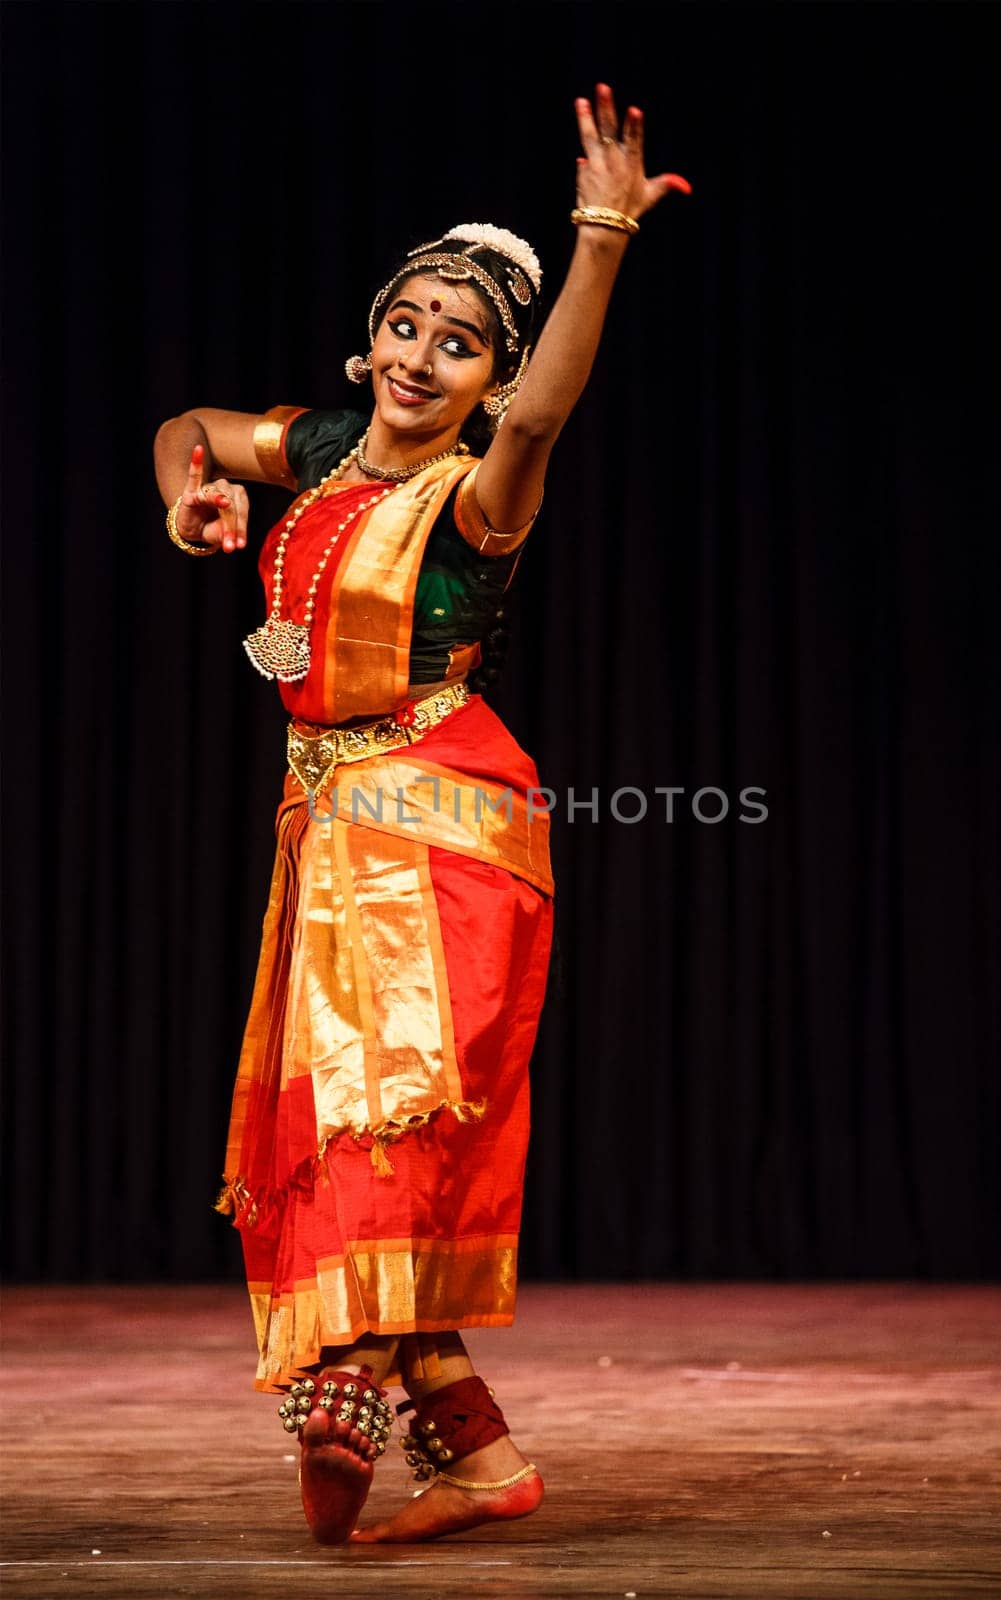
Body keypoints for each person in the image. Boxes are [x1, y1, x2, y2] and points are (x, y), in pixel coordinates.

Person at [153, 82, 689, 1547]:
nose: (421, 358)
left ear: (487, 386)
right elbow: (188, 426)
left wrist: (600, 240)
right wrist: (191, 497)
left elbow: (555, 404)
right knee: (337, 1124)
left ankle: (351, 1379)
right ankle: (474, 1448)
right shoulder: (323, 450)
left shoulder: (480, 496)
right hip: (331, 822)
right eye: (408, 326)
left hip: (444, 819)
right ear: (370, 335)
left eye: (461, 346)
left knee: (385, 1121)